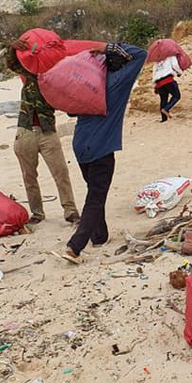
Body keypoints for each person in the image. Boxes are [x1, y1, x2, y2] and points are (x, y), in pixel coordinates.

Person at [65, 42, 146, 263]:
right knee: (96, 197)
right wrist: (107, 46)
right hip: (101, 146)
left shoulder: (87, 85)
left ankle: (99, 236)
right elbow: (141, 54)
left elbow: (71, 111)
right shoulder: (119, 83)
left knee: (93, 190)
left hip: (80, 144)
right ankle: (75, 245)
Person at [6, 40, 80, 225]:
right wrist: (13, 47)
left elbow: (69, 103)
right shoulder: (29, 76)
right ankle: (37, 213)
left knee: (61, 173)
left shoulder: (56, 81)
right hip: (26, 131)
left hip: (47, 132)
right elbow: (12, 64)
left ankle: (70, 211)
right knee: (29, 177)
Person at [153, 53, 183, 122]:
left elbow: (154, 72)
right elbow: (175, 65)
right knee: (176, 96)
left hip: (159, 82)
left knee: (163, 99)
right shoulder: (171, 55)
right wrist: (179, 72)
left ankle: (164, 119)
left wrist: (154, 85)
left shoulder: (156, 59)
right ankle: (166, 109)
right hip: (168, 79)